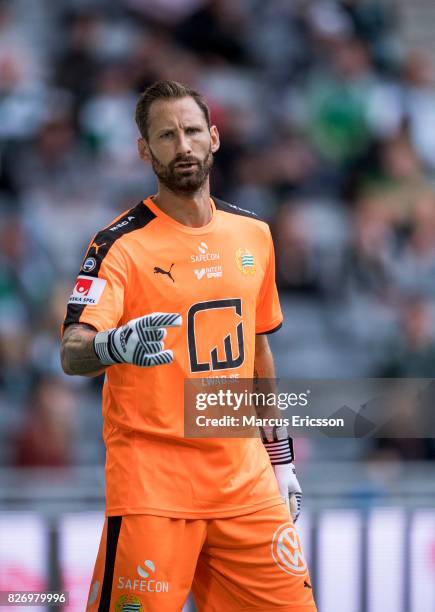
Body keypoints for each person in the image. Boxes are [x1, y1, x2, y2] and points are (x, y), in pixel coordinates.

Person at [60, 80, 316, 612]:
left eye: (192, 131)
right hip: (154, 487)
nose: (183, 146)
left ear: (215, 138)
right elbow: (72, 351)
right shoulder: (117, 246)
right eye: (167, 135)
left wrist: (281, 461)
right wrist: (114, 345)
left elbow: (259, 353)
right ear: (143, 149)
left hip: (243, 484)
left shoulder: (254, 235)